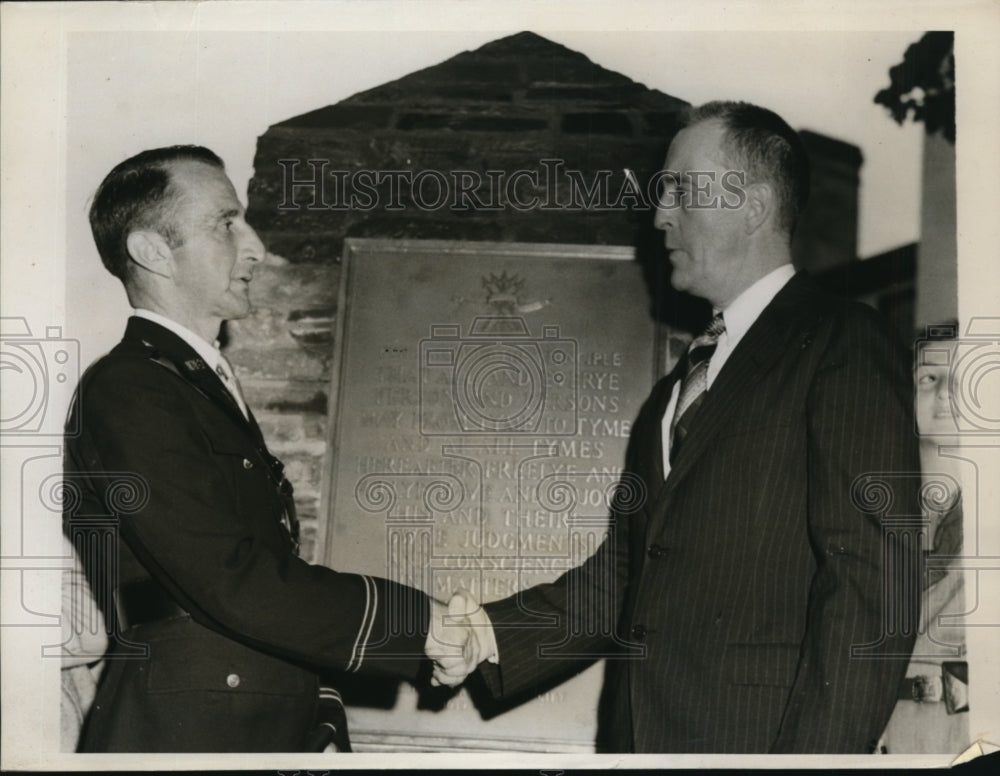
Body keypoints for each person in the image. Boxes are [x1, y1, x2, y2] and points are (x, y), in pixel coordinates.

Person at [433, 101, 922, 753]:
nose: (660, 215)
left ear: (751, 205)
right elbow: (625, 578)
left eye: (679, 190)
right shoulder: (674, 390)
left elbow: (872, 588)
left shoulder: (843, 342)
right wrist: (488, 635)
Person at [65, 145, 465, 752]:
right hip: (189, 729)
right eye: (226, 224)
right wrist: (418, 623)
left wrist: (320, 704)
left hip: (241, 709)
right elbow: (228, 580)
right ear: (152, 252)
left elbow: (259, 579)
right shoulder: (132, 386)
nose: (254, 246)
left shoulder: (191, 382)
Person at [878, 330, 969, 753]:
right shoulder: (867, 506)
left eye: (963, 377)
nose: (946, 393)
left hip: (969, 729)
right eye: (928, 379)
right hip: (881, 725)